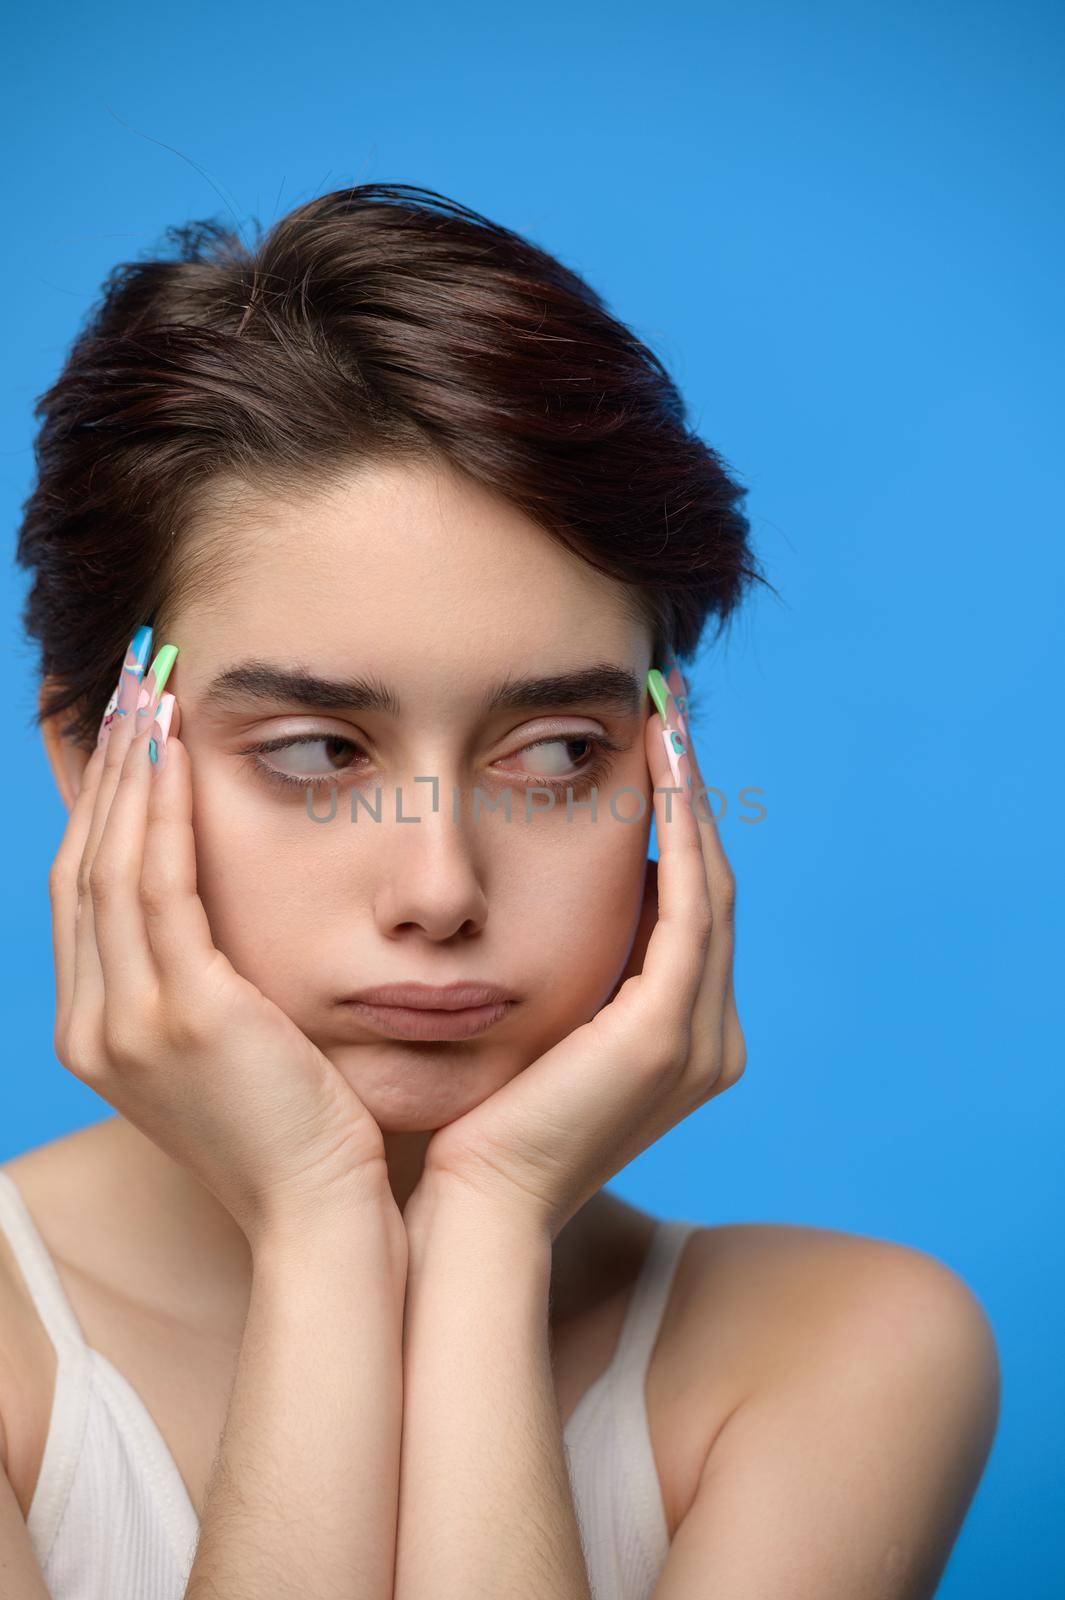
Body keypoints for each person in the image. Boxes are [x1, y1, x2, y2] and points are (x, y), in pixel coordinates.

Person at [1, 183, 999, 1600]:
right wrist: (318, 1226)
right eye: (312, 751)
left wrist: (484, 1227)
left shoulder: (844, 1346)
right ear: (90, 761)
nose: (439, 887)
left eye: (555, 754)